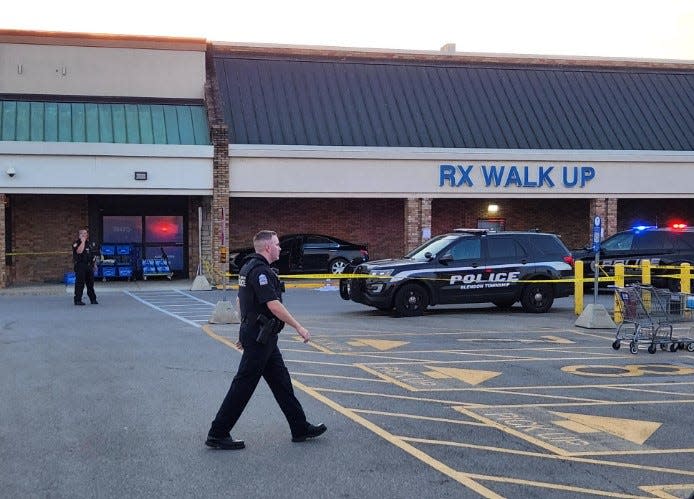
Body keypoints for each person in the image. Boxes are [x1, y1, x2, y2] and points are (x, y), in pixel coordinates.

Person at [206, 230, 326, 450]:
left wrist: (244, 331)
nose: (280, 247)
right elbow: (273, 305)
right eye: (278, 244)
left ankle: (299, 427)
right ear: (268, 247)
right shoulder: (260, 271)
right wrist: (298, 327)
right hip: (260, 339)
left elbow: (240, 300)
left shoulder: (248, 267)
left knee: (282, 382)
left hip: (263, 337)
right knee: (243, 386)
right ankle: (218, 433)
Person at [72, 228, 98, 306]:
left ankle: (93, 299)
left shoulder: (89, 244)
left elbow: (92, 255)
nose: (84, 235)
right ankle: (78, 300)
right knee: (80, 283)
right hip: (80, 266)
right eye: (82, 234)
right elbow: (79, 251)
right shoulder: (76, 243)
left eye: (85, 233)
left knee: (90, 283)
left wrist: (94, 264)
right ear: (79, 235)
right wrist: (82, 242)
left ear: (87, 235)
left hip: (89, 266)